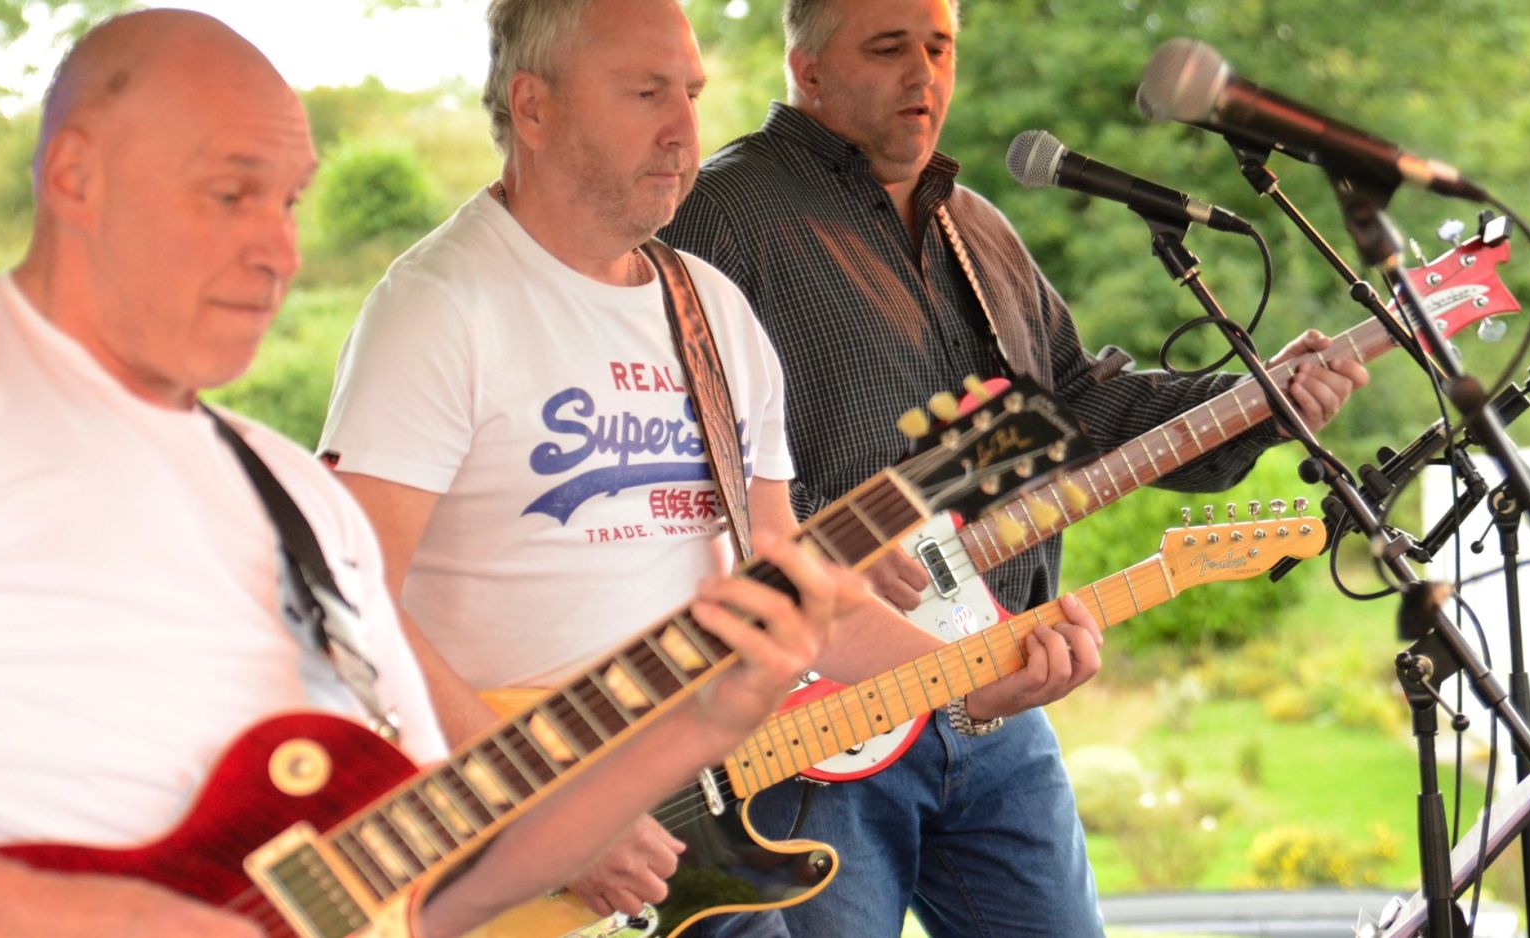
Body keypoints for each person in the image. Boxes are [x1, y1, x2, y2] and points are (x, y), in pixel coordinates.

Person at [0, 10, 845, 938]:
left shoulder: (298, 503)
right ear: (75, 175)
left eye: (290, 199)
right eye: (227, 191)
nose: (279, 247)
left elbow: (442, 879)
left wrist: (703, 722)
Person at [319, 0, 1108, 932]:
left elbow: (793, 586)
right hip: (511, 852)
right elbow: (350, 602)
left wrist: (968, 673)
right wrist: (551, 819)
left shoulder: (715, 314)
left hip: (697, 831)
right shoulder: (441, 308)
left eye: (690, 93)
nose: (685, 130)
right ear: (533, 107)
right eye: (646, 93)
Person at [659, 0, 1373, 934]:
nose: (924, 74)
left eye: (939, 46)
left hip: (995, 692)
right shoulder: (721, 214)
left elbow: (1079, 409)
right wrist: (827, 556)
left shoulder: (977, 226)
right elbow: (674, 462)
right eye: (888, 47)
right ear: (808, 66)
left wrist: (1258, 399)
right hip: (815, 723)